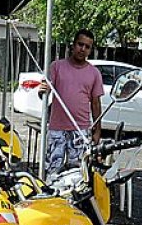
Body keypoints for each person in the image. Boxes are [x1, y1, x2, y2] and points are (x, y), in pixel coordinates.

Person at [39, 29, 103, 176]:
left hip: (80, 130)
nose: (83, 49)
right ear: (73, 45)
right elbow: (44, 92)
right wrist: (43, 90)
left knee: (78, 174)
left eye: (87, 47)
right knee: (53, 171)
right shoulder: (56, 66)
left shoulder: (94, 73)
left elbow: (96, 104)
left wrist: (97, 131)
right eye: (80, 44)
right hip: (57, 129)